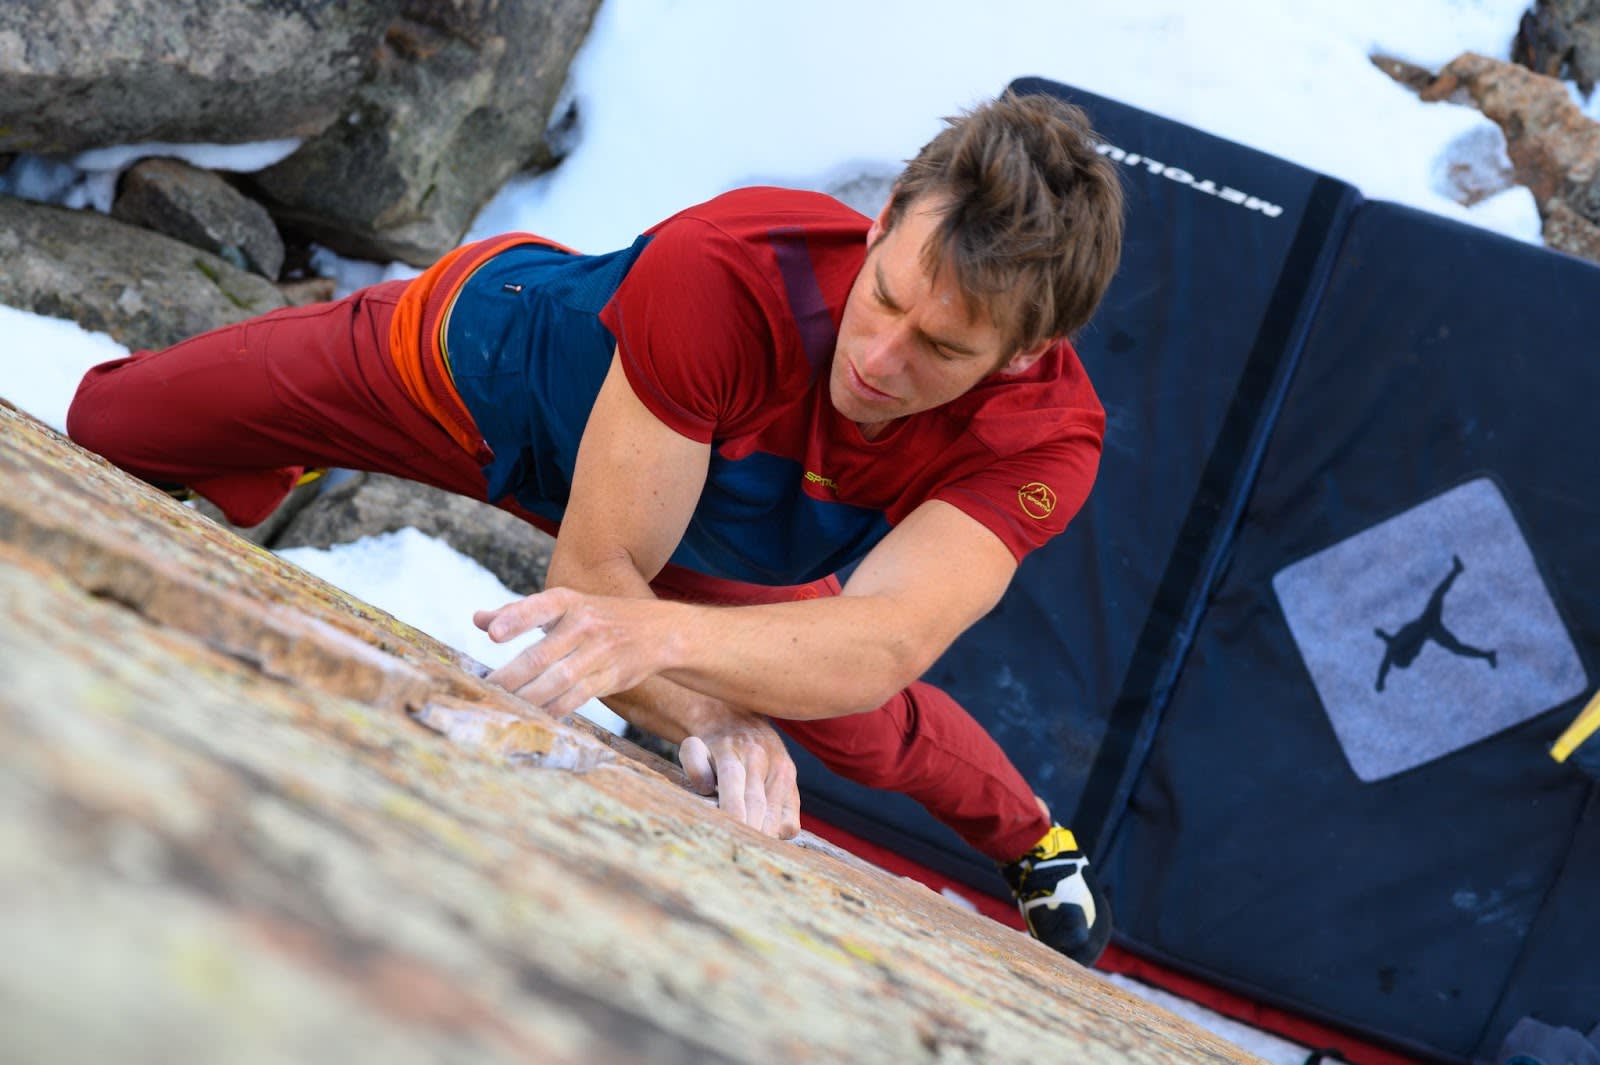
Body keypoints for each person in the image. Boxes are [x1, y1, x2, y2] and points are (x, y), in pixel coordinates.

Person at [67, 89, 1125, 964]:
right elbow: (598, 569)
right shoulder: (732, 267)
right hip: (484, 378)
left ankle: (1038, 846)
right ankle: (303, 434)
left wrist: (689, 659)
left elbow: (884, 637)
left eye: (939, 349)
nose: (879, 359)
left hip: (716, 535)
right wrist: (706, 712)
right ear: (887, 214)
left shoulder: (1043, 437)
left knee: (856, 710)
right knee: (108, 421)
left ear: (1027, 353)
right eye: (883, 298)